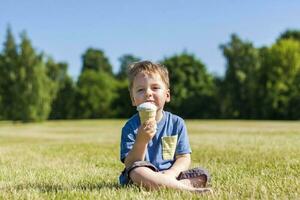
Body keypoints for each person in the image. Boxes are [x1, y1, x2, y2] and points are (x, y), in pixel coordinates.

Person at [119, 60, 212, 193]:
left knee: (202, 174)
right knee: (136, 171)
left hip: (171, 173)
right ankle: (185, 189)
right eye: (140, 90)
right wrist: (141, 140)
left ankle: (168, 184)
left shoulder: (177, 123)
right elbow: (130, 164)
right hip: (142, 174)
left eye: (155, 88)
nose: (148, 93)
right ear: (133, 99)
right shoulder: (130, 127)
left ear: (167, 95)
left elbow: (183, 158)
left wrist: (171, 173)